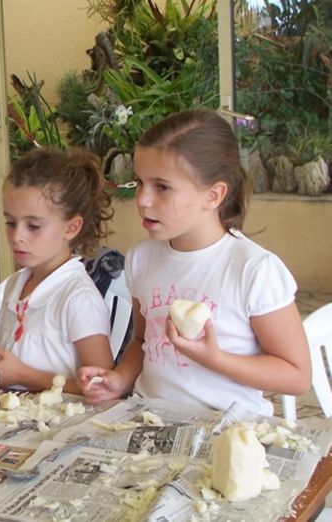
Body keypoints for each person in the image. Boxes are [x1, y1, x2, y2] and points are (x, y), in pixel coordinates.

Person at [78, 109, 311, 415]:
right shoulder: (142, 257)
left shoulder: (254, 269)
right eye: (139, 182)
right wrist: (119, 379)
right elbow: (141, 340)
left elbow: (297, 375)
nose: (143, 200)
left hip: (227, 428)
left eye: (162, 187)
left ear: (213, 195)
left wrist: (215, 359)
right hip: (149, 419)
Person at [0, 147, 115, 393]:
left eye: (34, 226)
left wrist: (24, 376)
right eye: (10, 222)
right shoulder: (16, 284)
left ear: (71, 228)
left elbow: (102, 387)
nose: (17, 236)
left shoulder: (78, 299)